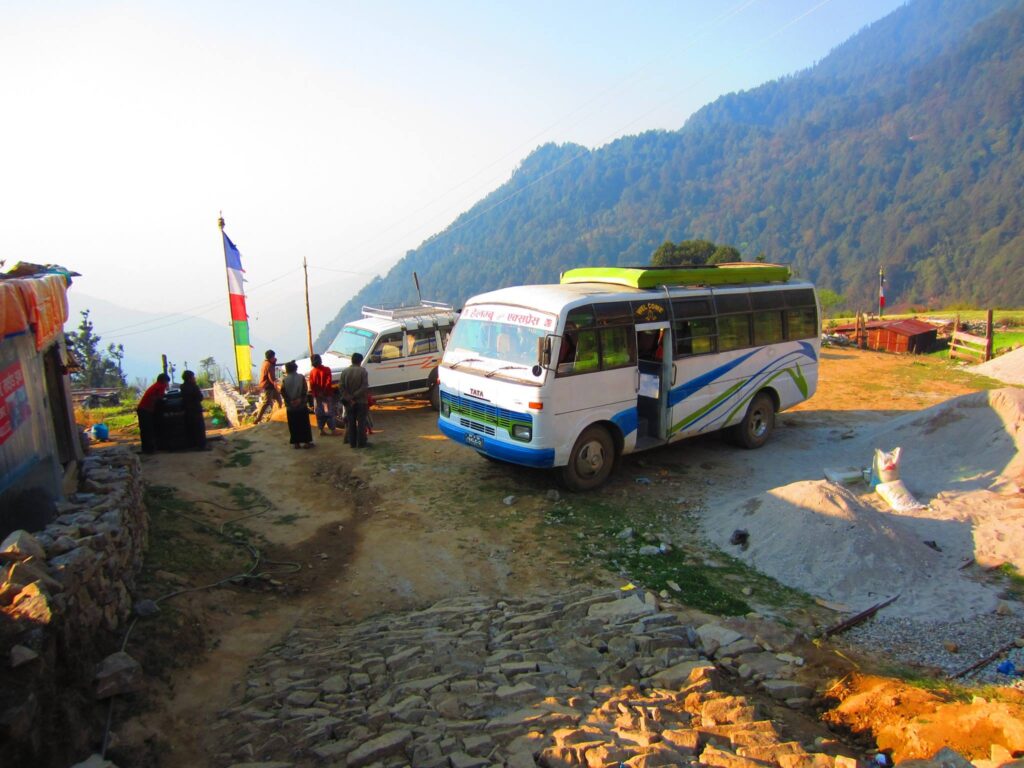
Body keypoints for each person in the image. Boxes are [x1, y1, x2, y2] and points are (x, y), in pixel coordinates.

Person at [280, 360, 314, 449]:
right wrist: (300, 400)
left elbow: (283, 392)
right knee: (304, 424)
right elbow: (304, 390)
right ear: (295, 368)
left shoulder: (285, 380)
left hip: (291, 406)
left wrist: (290, 401)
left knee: (293, 425)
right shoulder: (301, 377)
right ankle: (307, 442)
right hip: (301, 405)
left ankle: (296, 443)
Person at [340, 352, 369, 448]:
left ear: (352, 360)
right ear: (360, 361)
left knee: (351, 423)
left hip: (349, 403)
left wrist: (349, 397)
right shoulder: (363, 371)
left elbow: (341, 387)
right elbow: (364, 387)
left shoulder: (344, 372)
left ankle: (352, 443)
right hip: (361, 401)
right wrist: (354, 396)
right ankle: (361, 443)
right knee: (361, 423)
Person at [136, 373, 170, 454]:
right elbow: (161, 399)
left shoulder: (155, 386)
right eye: (167, 382)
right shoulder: (160, 386)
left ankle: (146, 449)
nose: (167, 384)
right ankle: (150, 449)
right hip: (146, 410)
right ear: (163, 381)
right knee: (148, 430)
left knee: (145, 430)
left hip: (143, 409)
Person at [308, 353, 337, 436]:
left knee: (319, 413)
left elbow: (312, 385)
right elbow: (328, 383)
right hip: (326, 396)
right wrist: (324, 392)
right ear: (320, 360)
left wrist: (317, 393)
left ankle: (321, 430)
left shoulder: (312, 372)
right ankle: (333, 430)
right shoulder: (326, 369)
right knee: (328, 412)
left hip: (317, 397)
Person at [253, 349, 283, 424]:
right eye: (273, 357)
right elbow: (271, 377)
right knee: (266, 402)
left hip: (270, 386)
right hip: (268, 386)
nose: (274, 358)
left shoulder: (266, 362)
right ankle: (258, 418)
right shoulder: (268, 365)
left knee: (279, 400)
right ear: (271, 357)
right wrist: (277, 385)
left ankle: (279, 416)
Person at [179, 370, 207, 450]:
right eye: (193, 377)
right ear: (190, 378)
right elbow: (200, 397)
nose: (194, 378)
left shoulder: (182, 387)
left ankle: (193, 444)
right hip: (196, 409)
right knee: (200, 428)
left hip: (187, 410)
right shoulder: (194, 386)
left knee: (191, 429)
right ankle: (202, 446)